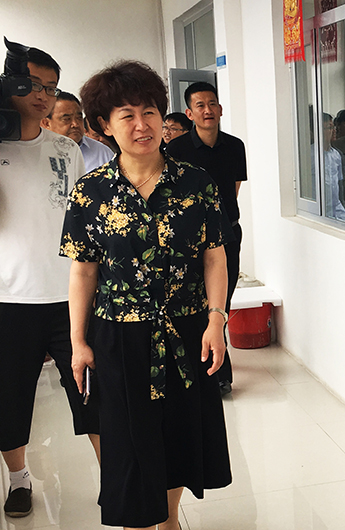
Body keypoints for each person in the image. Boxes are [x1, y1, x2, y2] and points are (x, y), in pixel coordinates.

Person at [62, 60, 233, 530]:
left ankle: (170, 519)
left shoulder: (196, 183)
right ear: (104, 125)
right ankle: (140, 521)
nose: (142, 125)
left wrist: (216, 318)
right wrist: (78, 341)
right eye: (127, 115)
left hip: (186, 330)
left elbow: (214, 256)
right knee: (128, 442)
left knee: (178, 432)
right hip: (119, 336)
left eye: (150, 112)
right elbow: (83, 270)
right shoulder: (90, 192)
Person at [0, 46, 99, 519]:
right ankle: (19, 479)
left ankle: (114, 477)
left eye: (51, 87)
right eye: (34, 85)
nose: (43, 95)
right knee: (10, 400)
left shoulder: (66, 150)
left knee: (94, 393)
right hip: (9, 298)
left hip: (69, 296)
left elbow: (84, 224)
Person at [166, 81, 247, 395]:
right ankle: (202, 369)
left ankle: (218, 372)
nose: (207, 110)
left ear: (220, 109)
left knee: (220, 304)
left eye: (212, 103)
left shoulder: (235, 146)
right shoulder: (176, 150)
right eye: (199, 105)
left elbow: (233, 190)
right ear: (189, 113)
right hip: (189, 240)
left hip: (227, 234)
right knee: (194, 303)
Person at [42, 91, 114, 171]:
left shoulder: (102, 153)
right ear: (46, 123)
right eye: (67, 119)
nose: (75, 124)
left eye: (79, 118)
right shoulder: (37, 153)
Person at [320, 112, 345, 221]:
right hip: (320, 213)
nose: (334, 131)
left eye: (333, 127)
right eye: (329, 127)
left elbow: (339, 185)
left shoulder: (336, 155)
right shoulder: (309, 155)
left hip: (337, 213)